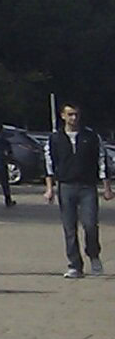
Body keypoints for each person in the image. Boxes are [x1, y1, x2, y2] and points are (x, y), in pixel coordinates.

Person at [43, 102, 109, 278]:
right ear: (63, 116)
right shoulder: (55, 139)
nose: (74, 118)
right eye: (70, 114)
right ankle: (74, 265)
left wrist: (106, 187)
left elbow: (102, 160)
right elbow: (49, 165)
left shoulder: (91, 137)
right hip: (66, 186)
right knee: (69, 228)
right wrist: (50, 189)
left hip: (88, 187)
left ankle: (94, 255)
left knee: (90, 224)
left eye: (76, 115)